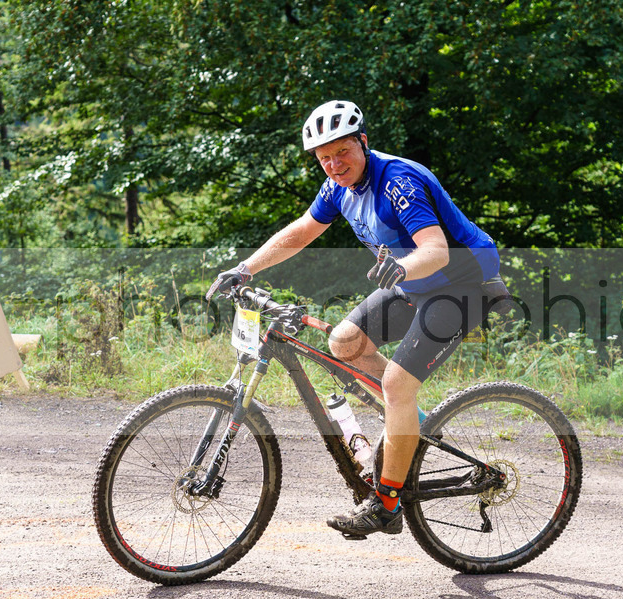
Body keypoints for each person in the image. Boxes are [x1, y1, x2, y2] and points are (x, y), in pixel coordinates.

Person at [206, 100, 501, 537]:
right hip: (414, 282)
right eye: (324, 158)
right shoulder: (337, 187)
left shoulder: (398, 182)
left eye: (342, 152)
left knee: (398, 384)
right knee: (345, 342)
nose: (334, 164)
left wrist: (401, 268)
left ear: (363, 142)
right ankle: (410, 430)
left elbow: (436, 249)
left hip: (464, 283)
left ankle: (385, 503)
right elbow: (303, 229)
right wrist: (246, 267)